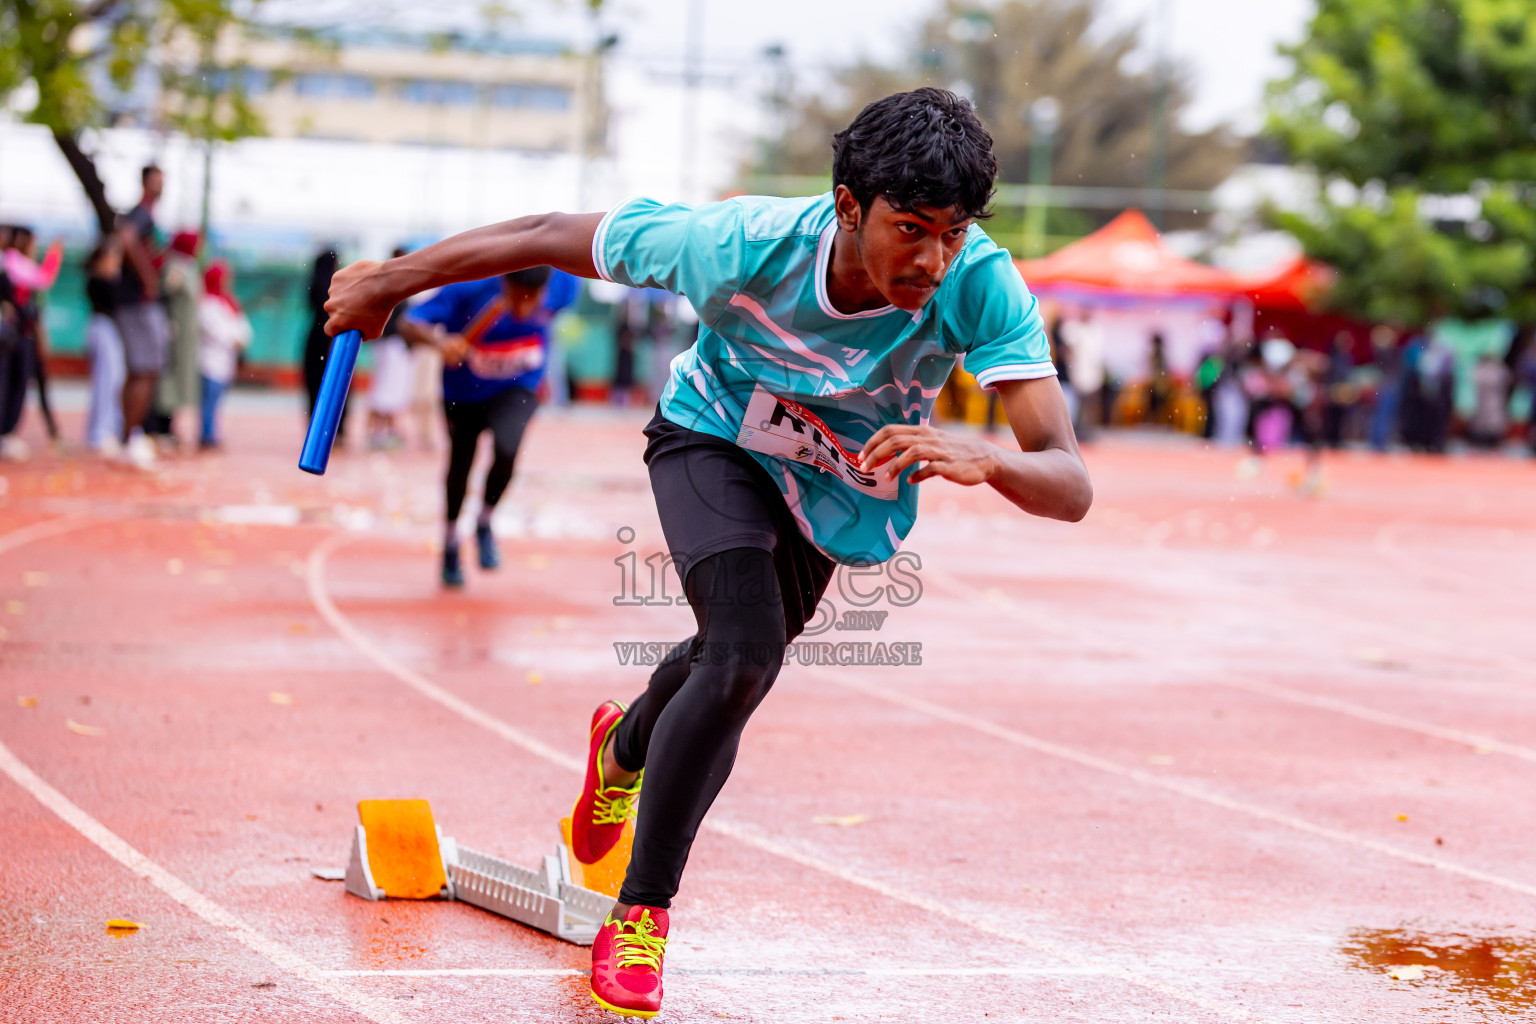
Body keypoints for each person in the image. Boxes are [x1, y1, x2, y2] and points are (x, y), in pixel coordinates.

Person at [322, 88, 1091, 1018]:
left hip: (841, 490)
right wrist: (393, 280)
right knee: (740, 657)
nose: (931, 260)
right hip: (713, 437)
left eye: (954, 233)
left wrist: (990, 458)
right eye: (912, 228)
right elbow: (544, 231)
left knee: (729, 665)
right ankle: (640, 917)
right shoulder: (736, 244)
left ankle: (624, 746)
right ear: (849, 205)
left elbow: (1070, 483)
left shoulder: (981, 283)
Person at [396, 266, 577, 587]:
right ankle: (451, 541)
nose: (523, 310)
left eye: (532, 301)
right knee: (461, 462)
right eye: (516, 298)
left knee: (508, 447)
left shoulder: (562, 283)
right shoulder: (468, 287)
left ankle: (485, 520)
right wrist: (439, 342)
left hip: (519, 385)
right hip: (463, 392)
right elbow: (408, 322)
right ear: (502, 282)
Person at [116, 164, 169, 469]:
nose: (161, 186)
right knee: (145, 369)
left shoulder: (148, 215)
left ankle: (129, 436)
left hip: (138, 302)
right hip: (138, 302)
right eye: (157, 180)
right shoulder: (141, 213)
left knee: (140, 370)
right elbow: (127, 238)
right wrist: (148, 276)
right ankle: (129, 437)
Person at [0, 226, 63, 456]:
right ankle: (5, 432)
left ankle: (10, 432)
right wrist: (55, 254)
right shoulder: (12, 261)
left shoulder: (15, 263)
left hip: (22, 335)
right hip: (12, 337)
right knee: (11, 383)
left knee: (20, 383)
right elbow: (45, 277)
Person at [150, 230, 203, 448]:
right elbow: (164, 293)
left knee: (181, 381)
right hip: (176, 334)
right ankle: (160, 428)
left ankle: (169, 427)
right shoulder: (176, 266)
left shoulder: (189, 266)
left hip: (187, 336)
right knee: (170, 380)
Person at [197, 261, 252, 450]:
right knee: (208, 402)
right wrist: (234, 338)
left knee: (217, 402)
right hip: (210, 362)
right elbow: (217, 331)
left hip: (225, 362)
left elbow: (243, 330)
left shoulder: (228, 302)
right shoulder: (206, 303)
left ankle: (212, 432)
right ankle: (207, 436)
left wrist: (238, 338)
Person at [367, 247, 414, 449]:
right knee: (386, 389)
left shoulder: (398, 282)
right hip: (390, 344)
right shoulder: (392, 282)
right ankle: (378, 431)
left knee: (393, 389)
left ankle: (387, 430)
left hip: (393, 345)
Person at [84, 240, 127, 452]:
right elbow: (115, 300)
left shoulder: (110, 280)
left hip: (111, 330)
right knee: (105, 381)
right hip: (102, 329)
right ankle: (99, 432)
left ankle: (111, 427)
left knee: (116, 380)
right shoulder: (98, 281)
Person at [302, 248, 348, 445]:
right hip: (332, 338)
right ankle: (335, 430)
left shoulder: (313, 281)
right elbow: (328, 314)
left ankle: (316, 429)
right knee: (337, 384)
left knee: (314, 387)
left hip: (314, 340)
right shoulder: (334, 285)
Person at [1466, 351, 1510, 449]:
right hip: (1482, 401)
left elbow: (1507, 379)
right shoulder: (1480, 368)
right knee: (1481, 422)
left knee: (1495, 421)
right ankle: (1480, 442)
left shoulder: (1498, 369)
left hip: (1495, 400)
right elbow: (1473, 377)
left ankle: (1494, 442)